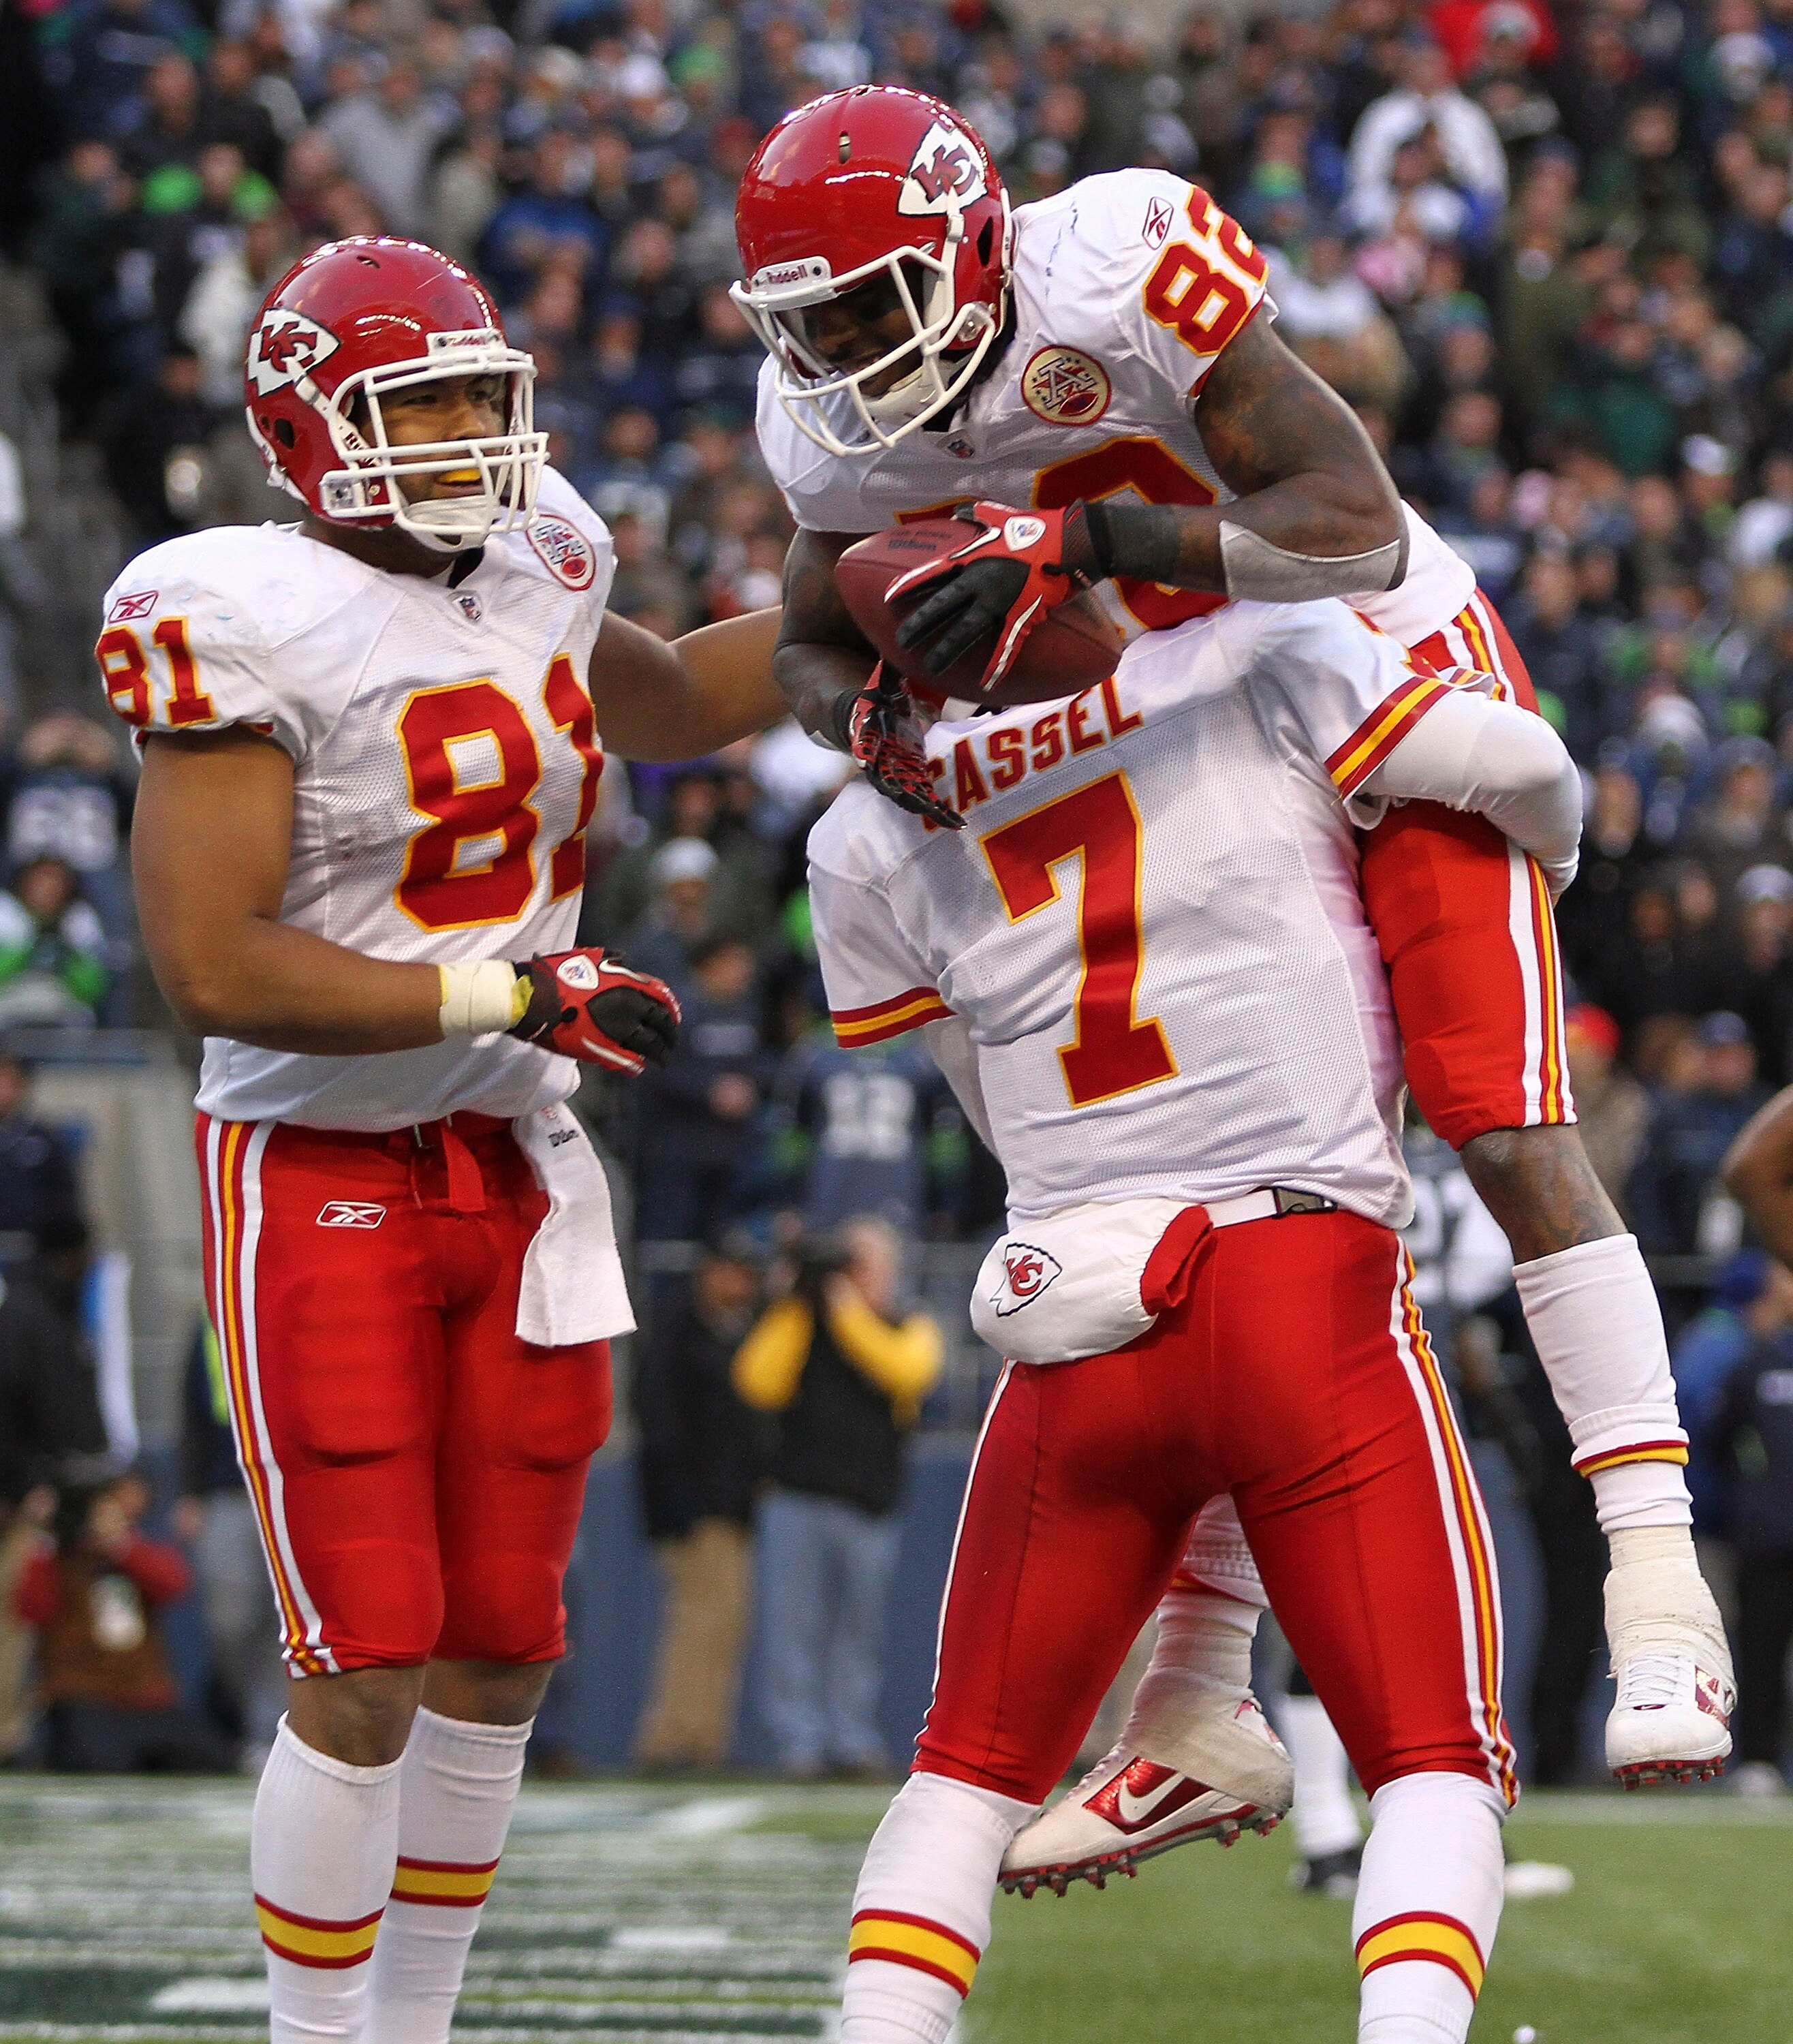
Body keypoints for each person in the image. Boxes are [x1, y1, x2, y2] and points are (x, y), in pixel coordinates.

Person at [738, 83, 1728, 1859]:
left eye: (872, 305)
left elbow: (1349, 518)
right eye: (809, 324)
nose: (843, 353)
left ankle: (1658, 1576)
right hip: (1183, 769)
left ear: (973, 244)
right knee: (1224, 1218)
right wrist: (874, 718)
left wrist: (1091, 541)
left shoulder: (1113, 263)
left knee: (1494, 1117)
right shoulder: (829, 432)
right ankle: (1200, 1699)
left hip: (1372, 685)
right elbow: (815, 641)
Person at [101, 235, 787, 2044]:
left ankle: (415, 2030)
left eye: (488, 397)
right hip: (322, 1169)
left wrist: (885, 604)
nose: (475, 436)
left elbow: (685, 704)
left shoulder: (539, 556)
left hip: (516, 1162)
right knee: (368, 1654)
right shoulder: (234, 605)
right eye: (427, 406)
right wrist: (512, 996)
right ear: (307, 431)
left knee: (504, 1646)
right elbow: (211, 962)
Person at [801, 594, 1576, 2044]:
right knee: (1432, 1757)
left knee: (962, 1772)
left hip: (1076, 1304)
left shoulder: (855, 837)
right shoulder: (1247, 657)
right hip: (1297, 1282)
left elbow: (979, 1099)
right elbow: (1518, 763)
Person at [733, 1216, 942, 1780]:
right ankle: (798, 1742)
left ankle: (852, 1738)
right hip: (797, 1497)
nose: (853, 1275)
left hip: (869, 1505)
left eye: (864, 1264)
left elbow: (905, 1371)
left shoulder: (908, 1323)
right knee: (792, 1628)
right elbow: (758, 1380)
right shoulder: (801, 1321)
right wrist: (798, 1303)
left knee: (859, 1632)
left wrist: (844, 1308)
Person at [630, 1230, 768, 1771]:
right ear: (710, 1272)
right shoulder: (677, 1331)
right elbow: (661, 1425)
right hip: (696, 1508)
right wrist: (681, 1503)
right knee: (701, 1621)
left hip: (729, 1506)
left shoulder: (737, 1330)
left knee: (723, 1624)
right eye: (734, 1271)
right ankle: (672, 1741)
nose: (743, 1284)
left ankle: (701, 1739)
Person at [14, 1470, 236, 1772]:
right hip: (82, 1698)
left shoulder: (132, 1554)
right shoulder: (56, 1561)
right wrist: (44, 1540)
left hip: (147, 1698)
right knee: (98, 1761)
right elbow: (32, 1610)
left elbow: (175, 1584)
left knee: (210, 1760)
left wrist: (120, 1543)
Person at [174, 1316, 285, 1770]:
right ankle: (240, 1715)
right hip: (226, 1492)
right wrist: (190, 1491)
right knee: (230, 1621)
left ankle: (267, 1730)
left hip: (285, 1488)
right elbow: (192, 1413)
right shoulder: (206, 1323)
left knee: (284, 1619)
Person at [1706, 1268, 1793, 1795]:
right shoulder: (1749, 1362)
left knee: (1763, 1649)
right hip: (1766, 1535)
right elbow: (1716, 1440)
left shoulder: (1752, 1361)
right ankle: (1758, 1759)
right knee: (1761, 1650)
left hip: (1764, 1527)